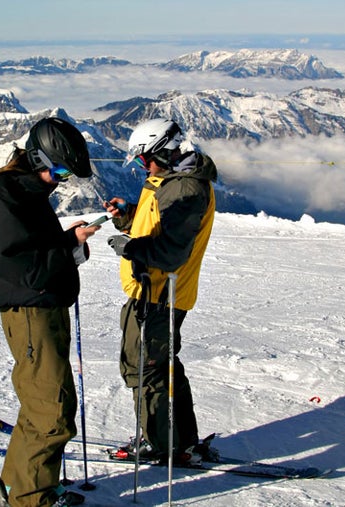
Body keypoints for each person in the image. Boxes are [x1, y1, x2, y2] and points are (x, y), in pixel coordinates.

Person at [0, 117, 100, 507]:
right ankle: (31, 499)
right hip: (30, 314)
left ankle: (21, 485)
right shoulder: (4, 194)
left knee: (47, 404)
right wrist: (67, 249)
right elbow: (16, 266)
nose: (61, 179)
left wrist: (70, 244)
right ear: (35, 156)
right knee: (52, 411)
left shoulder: (26, 192)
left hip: (44, 309)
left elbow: (33, 251)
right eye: (59, 170)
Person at [105, 118, 218, 465]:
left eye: (145, 159)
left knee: (144, 368)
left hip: (158, 294)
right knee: (162, 366)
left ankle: (162, 443)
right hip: (155, 291)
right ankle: (179, 439)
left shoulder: (184, 189)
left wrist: (130, 248)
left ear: (163, 153)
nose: (143, 166)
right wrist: (129, 218)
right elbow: (159, 224)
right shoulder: (171, 180)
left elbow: (170, 251)